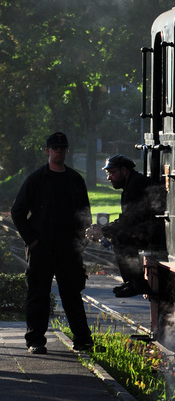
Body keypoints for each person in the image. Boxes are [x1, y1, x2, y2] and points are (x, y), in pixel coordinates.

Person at [11, 131, 94, 354]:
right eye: (55, 148)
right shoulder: (36, 179)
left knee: (72, 295)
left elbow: (85, 213)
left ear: (67, 151)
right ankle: (35, 340)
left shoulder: (75, 179)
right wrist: (32, 241)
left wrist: (81, 243)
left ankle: (82, 340)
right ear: (48, 151)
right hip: (42, 248)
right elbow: (18, 212)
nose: (59, 152)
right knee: (38, 294)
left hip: (68, 249)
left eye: (63, 148)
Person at [87, 154, 158, 297]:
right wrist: (104, 229)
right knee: (120, 235)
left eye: (112, 173)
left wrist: (104, 230)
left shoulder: (135, 185)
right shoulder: (131, 184)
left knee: (121, 238)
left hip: (153, 231)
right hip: (147, 227)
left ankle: (136, 282)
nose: (108, 178)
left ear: (124, 170)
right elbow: (126, 218)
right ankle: (132, 282)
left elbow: (128, 221)